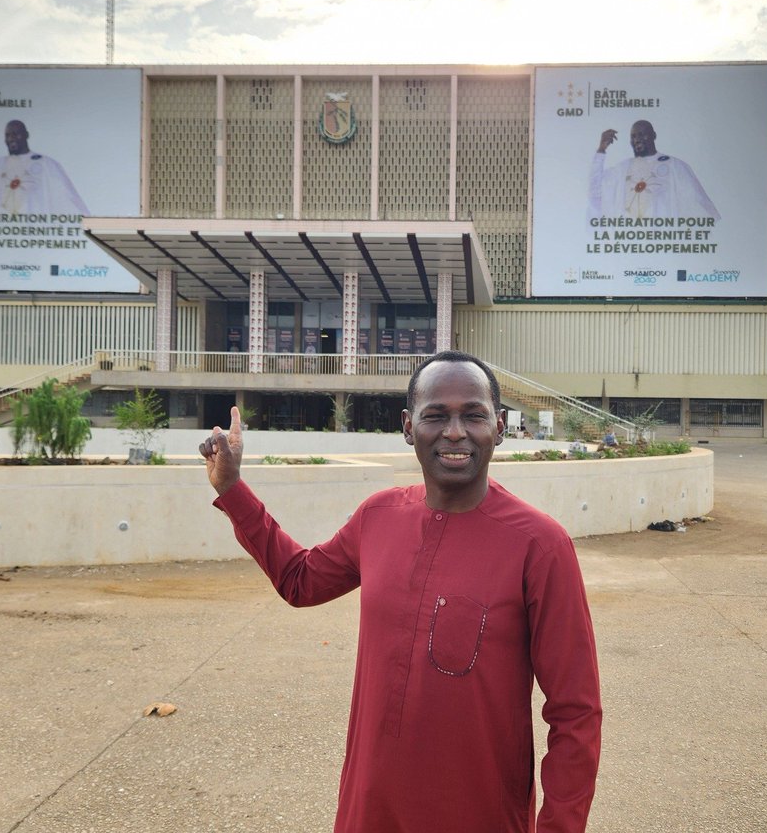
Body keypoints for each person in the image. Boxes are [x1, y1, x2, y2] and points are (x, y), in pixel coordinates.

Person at [200, 350, 602, 832]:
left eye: (472, 415)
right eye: (436, 416)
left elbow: (575, 713)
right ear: (410, 427)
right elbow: (300, 581)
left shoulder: (540, 545)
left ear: (498, 426)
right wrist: (232, 487)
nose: (455, 432)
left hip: (478, 814)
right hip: (369, 810)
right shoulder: (378, 517)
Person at [588, 119, 719, 220]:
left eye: (642, 135)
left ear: (654, 135)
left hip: (662, 244)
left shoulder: (674, 166)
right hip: (630, 245)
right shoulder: (622, 169)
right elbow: (596, 190)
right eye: (633, 136)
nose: (637, 139)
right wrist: (601, 150)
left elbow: (699, 204)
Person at [0, 120, 89, 216]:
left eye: (15, 134)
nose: (11, 138)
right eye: (7, 135)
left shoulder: (45, 163)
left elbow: (69, 197)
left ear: (26, 135)